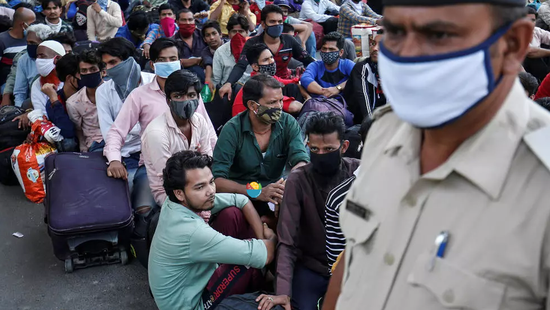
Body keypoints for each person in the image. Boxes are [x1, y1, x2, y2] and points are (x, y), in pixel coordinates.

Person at [323, 0, 550, 309]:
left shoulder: (540, 185)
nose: (407, 53)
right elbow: (354, 262)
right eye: (395, 30)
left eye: (440, 33)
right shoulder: (386, 131)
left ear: (513, 44)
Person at [255, 112, 360, 310]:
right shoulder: (298, 180)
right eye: (314, 149)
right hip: (312, 266)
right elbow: (287, 241)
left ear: (344, 147)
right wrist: (283, 292)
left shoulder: (358, 174)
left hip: (351, 266)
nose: (321, 155)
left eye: (328, 149)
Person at [148, 151, 277, 310]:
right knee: (247, 262)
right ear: (179, 193)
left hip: (189, 287)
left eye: (211, 181)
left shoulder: (175, 202)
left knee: (232, 215)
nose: (211, 191)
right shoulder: (191, 231)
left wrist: (259, 237)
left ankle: (257, 280)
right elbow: (266, 254)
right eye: (200, 187)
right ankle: (260, 291)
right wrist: (270, 237)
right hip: (195, 305)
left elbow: (240, 199)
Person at [103, 38, 216, 190]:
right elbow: (117, 131)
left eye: (172, 59)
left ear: (179, 62)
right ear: (152, 64)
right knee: (145, 209)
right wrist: (114, 160)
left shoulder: (191, 94)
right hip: (154, 168)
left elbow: (208, 130)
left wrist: (216, 163)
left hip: (194, 165)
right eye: (162, 60)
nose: (168, 63)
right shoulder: (139, 95)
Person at [212, 74, 309, 220]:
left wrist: (286, 187)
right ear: (252, 106)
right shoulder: (232, 130)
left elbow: (301, 161)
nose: (279, 107)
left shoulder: (288, 123)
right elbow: (218, 181)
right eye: (272, 103)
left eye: (280, 101)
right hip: (242, 195)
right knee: (230, 215)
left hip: (274, 193)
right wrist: (257, 192)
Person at [96, 36, 156, 238]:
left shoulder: (154, 82)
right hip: (125, 156)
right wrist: (115, 159)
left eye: (113, 62)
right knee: (122, 207)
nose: (109, 69)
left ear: (130, 60)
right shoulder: (104, 90)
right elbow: (109, 131)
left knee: (146, 208)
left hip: (154, 154)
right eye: (105, 64)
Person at [142, 70, 215, 206]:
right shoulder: (157, 133)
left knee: (238, 203)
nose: (186, 101)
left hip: (201, 186)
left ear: (198, 98)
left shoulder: (199, 121)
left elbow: (207, 160)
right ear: (168, 100)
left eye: (191, 95)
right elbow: (169, 179)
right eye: (178, 96)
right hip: (171, 194)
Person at [219, 5, 315, 100]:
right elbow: (241, 65)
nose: (277, 25)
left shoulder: (289, 40)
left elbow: (308, 60)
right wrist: (228, 83)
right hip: (262, 87)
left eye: (280, 22)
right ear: (263, 24)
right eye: (272, 21)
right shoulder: (253, 43)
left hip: (286, 84)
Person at [232, 43, 304, 116]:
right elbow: (294, 107)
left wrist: (299, 80)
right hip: (248, 125)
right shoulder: (259, 85)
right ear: (255, 66)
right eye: (266, 60)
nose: (271, 61)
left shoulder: (265, 78)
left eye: (271, 57)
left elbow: (284, 82)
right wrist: (309, 102)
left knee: (292, 87)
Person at [1, 24, 53, 107]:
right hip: (31, 104)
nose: (29, 45)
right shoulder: (23, 59)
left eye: (32, 43)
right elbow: (20, 92)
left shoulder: (55, 58)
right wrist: (20, 110)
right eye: (27, 42)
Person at [66, 50, 105, 153]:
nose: (89, 73)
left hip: (120, 139)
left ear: (103, 72)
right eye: (84, 71)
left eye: (93, 69)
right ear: (79, 75)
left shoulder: (115, 92)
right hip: (96, 142)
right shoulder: (73, 103)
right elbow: (78, 129)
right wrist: (83, 147)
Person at [344, 28, 386, 124]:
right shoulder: (362, 68)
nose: (375, 48)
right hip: (361, 121)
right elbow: (364, 102)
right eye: (373, 43)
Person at [301, 32, 355, 99]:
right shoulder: (315, 66)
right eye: (324, 48)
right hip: (321, 104)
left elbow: (358, 77)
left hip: (345, 104)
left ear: (341, 52)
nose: (327, 52)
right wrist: (324, 92)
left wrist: (338, 88)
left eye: (331, 49)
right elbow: (305, 79)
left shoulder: (347, 64)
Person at [44, 53, 80, 152]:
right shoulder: (55, 100)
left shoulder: (90, 92)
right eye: (83, 72)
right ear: (69, 78)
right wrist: (55, 102)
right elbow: (67, 131)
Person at [211, 13, 252, 89]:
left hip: (250, 91)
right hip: (227, 91)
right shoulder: (220, 52)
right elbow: (216, 80)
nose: (237, 35)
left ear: (247, 33)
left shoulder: (254, 50)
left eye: (241, 31)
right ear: (229, 34)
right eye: (234, 31)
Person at [30, 40, 66, 117]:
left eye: (42, 56)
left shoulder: (69, 79)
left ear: (57, 59)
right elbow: (41, 114)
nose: (38, 60)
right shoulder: (37, 84)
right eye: (37, 56)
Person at [0, 7, 35, 86]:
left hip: (28, 82)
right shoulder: (2, 40)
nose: (34, 27)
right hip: (7, 84)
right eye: (32, 24)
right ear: (23, 25)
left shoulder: (33, 39)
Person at [171, 9, 206, 82]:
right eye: (184, 20)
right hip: (183, 79)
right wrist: (196, 61)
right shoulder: (172, 41)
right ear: (177, 22)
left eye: (190, 20)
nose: (187, 23)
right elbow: (173, 62)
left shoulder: (203, 35)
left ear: (194, 21)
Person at [201, 20, 223, 93]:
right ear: (204, 39)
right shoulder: (205, 51)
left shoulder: (230, 46)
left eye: (214, 33)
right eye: (208, 35)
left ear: (220, 34)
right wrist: (208, 79)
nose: (212, 38)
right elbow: (208, 63)